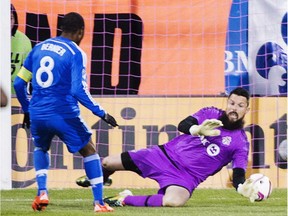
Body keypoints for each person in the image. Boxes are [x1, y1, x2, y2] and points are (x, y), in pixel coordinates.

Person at [76, 87, 258, 207]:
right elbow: (183, 125)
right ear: (227, 103)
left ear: (247, 110)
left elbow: (239, 173)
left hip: (187, 177)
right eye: (232, 103)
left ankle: (124, 198)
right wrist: (198, 129)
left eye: (240, 105)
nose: (234, 108)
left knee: (173, 201)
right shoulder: (210, 113)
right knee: (107, 162)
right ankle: (102, 176)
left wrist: (241, 187)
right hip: (163, 155)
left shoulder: (241, 142)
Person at [14, 12, 118, 213]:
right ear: (81, 32)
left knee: (41, 148)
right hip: (62, 112)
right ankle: (99, 203)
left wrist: (27, 110)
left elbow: (19, 83)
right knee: (89, 150)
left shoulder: (39, 48)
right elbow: (78, 90)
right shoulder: (75, 52)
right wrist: (102, 113)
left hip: (37, 112)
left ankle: (42, 192)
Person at [11, 4, 32, 95]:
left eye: (11, 18)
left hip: (15, 94)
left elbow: (29, 69)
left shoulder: (24, 40)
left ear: (15, 20)